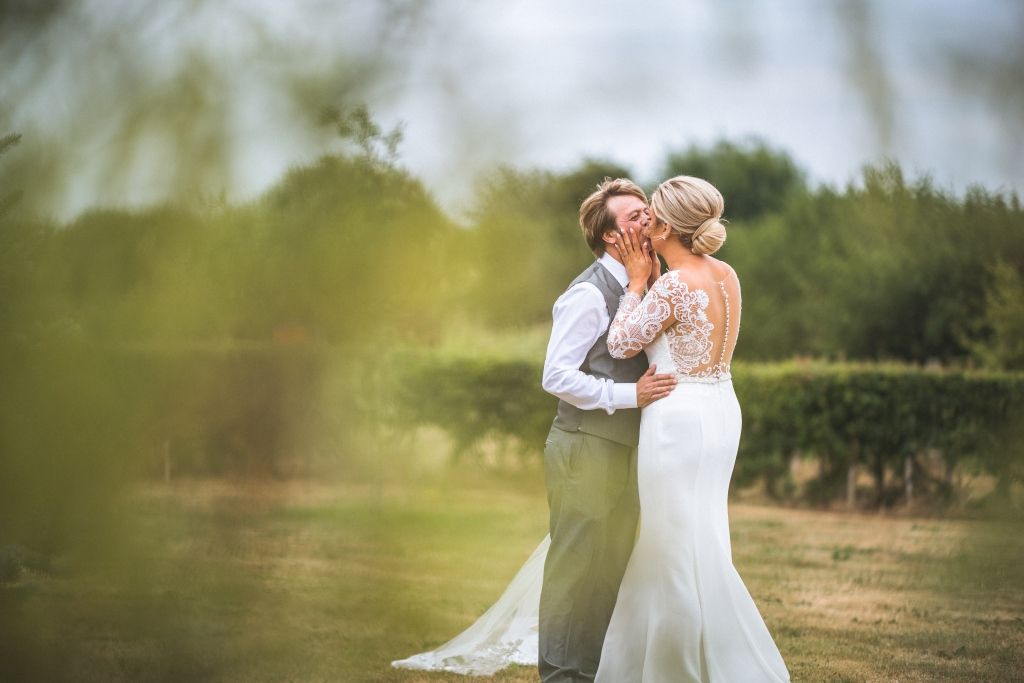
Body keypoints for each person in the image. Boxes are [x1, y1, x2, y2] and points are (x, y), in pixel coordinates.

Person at [391, 178, 677, 678]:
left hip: (626, 450)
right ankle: (560, 675)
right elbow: (556, 376)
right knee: (575, 568)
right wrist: (629, 396)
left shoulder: (650, 284)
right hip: (583, 447)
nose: (647, 220)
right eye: (634, 216)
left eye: (646, 210)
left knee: (609, 570)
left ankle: (588, 671)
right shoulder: (588, 293)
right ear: (611, 236)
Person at [594, 175, 790, 682]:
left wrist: (637, 283)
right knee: (702, 536)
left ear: (668, 229)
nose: (645, 225)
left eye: (652, 217)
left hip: (678, 418)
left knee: (671, 546)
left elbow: (620, 343)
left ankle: (674, 669)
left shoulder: (674, 285)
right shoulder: (725, 273)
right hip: (721, 408)